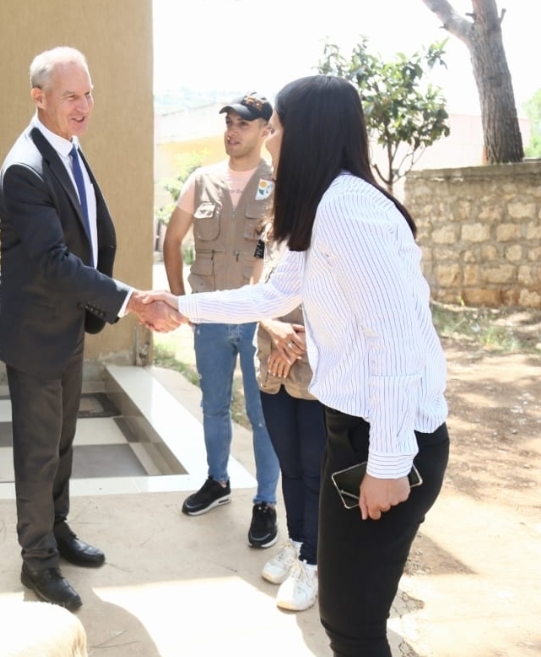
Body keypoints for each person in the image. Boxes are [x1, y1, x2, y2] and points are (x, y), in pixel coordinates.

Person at [149, 75, 450, 656]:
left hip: (385, 441)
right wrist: (181, 305)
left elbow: (392, 341)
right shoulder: (322, 207)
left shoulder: (346, 209)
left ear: (305, 133)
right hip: (354, 433)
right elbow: (272, 295)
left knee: (353, 627)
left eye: (277, 127)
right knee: (344, 617)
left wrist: (388, 463)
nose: (270, 139)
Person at [0, 46, 181, 613]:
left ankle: (58, 529)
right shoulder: (25, 167)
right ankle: (37, 561)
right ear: (39, 97)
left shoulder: (67, 147)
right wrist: (129, 300)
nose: (84, 106)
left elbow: (81, 237)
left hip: (66, 324)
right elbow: (51, 261)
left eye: (89, 94)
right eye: (71, 96)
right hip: (35, 335)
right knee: (38, 453)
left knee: (62, 444)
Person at [161, 91, 281, 549]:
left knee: (262, 413)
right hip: (210, 314)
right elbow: (173, 240)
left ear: (265, 130)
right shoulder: (203, 179)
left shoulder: (279, 182)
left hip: (257, 318)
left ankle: (265, 502)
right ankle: (218, 481)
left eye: (243, 124)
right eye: (229, 122)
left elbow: (283, 250)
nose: (232, 131)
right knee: (213, 405)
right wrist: (179, 301)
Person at [251, 228, 324, 612]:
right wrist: (273, 327)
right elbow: (255, 287)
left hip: (315, 373)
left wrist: (292, 344)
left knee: (314, 473)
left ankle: (312, 563)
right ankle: (297, 545)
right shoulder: (270, 232)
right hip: (272, 370)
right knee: (290, 468)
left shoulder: (331, 227)